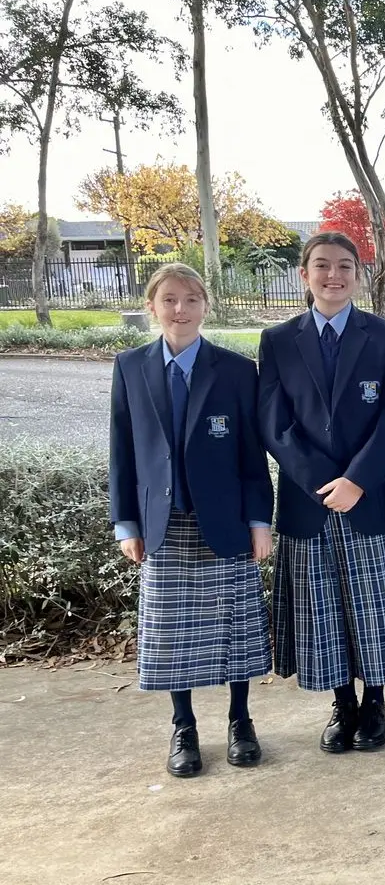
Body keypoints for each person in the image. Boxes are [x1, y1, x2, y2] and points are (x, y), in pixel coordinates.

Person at [109, 262, 273, 777]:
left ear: (205, 305)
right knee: (171, 633)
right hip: (163, 523)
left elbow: (252, 454)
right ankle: (183, 727)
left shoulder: (236, 370)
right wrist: (126, 523)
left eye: (191, 299)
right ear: (152, 306)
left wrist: (259, 520)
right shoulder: (130, 367)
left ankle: (240, 720)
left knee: (234, 626)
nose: (180, 310)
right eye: (169, 300)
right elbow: (122, 451)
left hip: (224, 519)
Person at [259, 231, 385, 753]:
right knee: (322, 609)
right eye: (323, 265)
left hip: (370, 496)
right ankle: (342, 702)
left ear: (358, 273)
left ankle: (375, 702)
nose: (334, 275)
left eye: (345, 265)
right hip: (309, 502)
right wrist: (321, 483)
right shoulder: (279, 340)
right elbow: (274, 422)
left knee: (374, 607)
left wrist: (357, 479)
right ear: (303, 274)